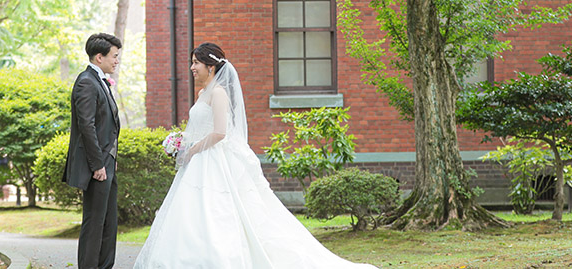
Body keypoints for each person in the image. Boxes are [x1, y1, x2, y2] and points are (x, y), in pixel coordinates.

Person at [134, 42, 376, 268]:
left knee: (219, 213)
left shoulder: (218, 93)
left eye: (196, 63)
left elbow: (219, 132)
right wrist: (182, 143)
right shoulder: (202, 94)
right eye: (192, 62)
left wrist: (192, 150)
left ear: (211, 66)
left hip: (213, 161)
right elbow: (202, 127)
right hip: (200, 161)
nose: (192, 68)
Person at [63, 33, 122, 269]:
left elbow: (106, 124)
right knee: (95, 221)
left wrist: (111, 158)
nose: (117, 61)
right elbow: (86, 126)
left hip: (107, 160)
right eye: (114, 56)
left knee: (109, 221)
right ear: (99, 57)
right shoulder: (86, 81)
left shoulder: (100, 80)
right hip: (96, 165)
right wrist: (98, 164)